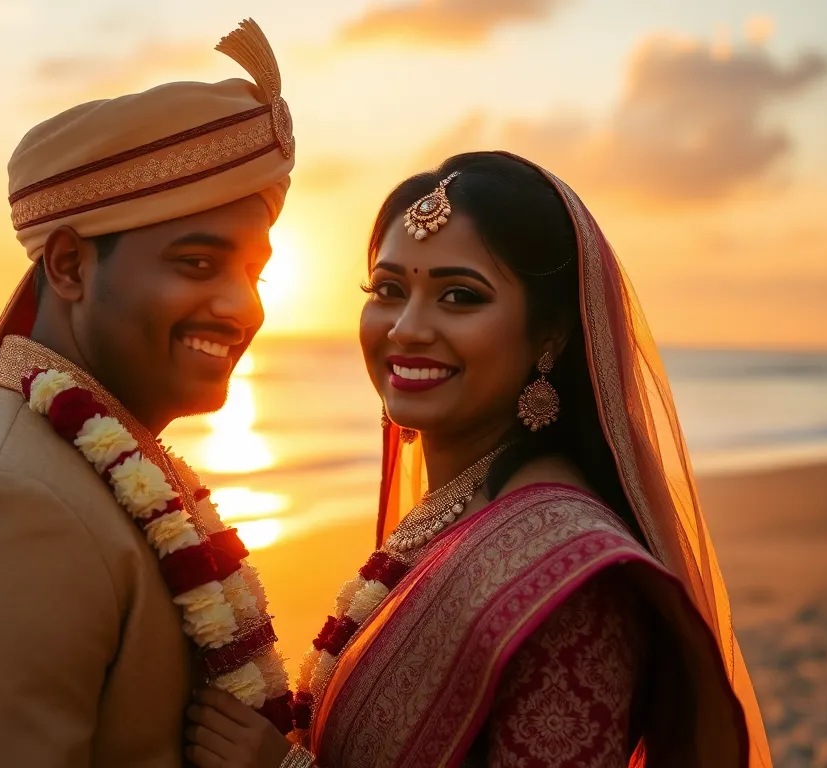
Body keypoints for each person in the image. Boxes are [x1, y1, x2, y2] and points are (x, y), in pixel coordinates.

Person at [183, 152, 773, 767]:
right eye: (388, 290)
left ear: (552, 335)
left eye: (459, 296)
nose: (407, 328)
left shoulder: (571, 581)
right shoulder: (461, 506)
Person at [0, 19, 298, 766]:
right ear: (72, 266)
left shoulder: (84, 467)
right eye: (198, 263)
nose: (245, 308)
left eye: (255, 273)